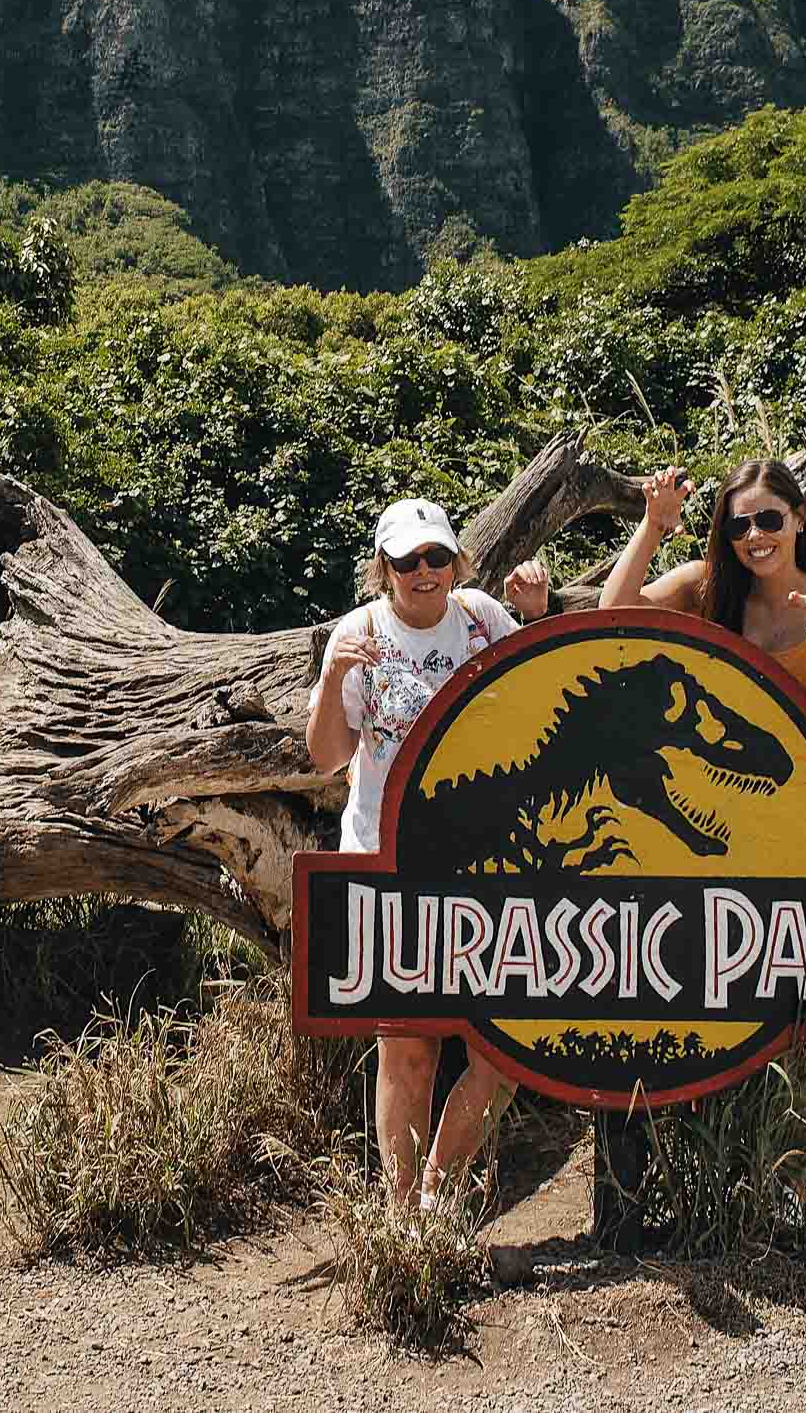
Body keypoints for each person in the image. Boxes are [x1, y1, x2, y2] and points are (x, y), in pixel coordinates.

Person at [597, 457, 806, 1132]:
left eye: (769, 519)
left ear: (799, 519)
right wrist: (654, 526)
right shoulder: (707, 588)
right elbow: (613, 612)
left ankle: (799, 1164)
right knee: (700, 985)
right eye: (739, 523)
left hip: (805, 823)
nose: (755, 536)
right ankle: (703, 1150)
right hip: (717, 824)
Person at [307, 496, 550, 1211]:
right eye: (408, 560)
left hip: (489, 865)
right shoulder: (360, 632)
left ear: (456, 561)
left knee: (503, 1048)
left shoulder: (481, 618)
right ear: (383, 567)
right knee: (407, 1046)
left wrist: (535, 620)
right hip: (391, 861)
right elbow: (327, 757)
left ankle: (438, 1192)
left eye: (436, 556)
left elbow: (538, 703)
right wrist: (328, 680)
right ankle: (403, 1217)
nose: (424, 571)